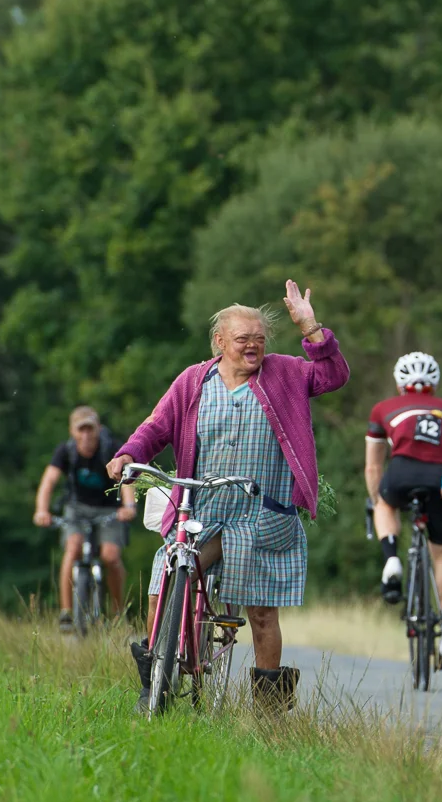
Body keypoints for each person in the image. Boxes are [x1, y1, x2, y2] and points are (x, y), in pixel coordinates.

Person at [108, 282, 349, 710]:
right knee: (165, 574)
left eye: (259, 338)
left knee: (261, 613)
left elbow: (333, 376)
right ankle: (157, 670)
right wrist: (129, 453)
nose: (253, 346)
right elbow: (157, 426)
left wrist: (309, 326)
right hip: (202, 508)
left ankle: (269, 708)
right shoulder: (193, 381)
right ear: (220, 342)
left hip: (261, 514)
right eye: (243, 339)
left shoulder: (286, 373)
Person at [366, 352, 442, 669]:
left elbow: (372, 466)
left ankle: (392, 557)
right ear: (434, 383)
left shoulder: (384, 409)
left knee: (384, 502)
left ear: (399, 383)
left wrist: (376, 498)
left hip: (402, 473)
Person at [33, 406, 137, 629]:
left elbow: (127, 480)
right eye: (81, 430)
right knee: (73, 548)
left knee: (111, 556)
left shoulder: (111, 448)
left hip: (109, 510)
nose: (86, 435)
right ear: (73, 432)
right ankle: (67, 612)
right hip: (76, 509)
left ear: (99, 429)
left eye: (90, 429)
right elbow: (49, 481)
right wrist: (41, 510)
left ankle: (119, 614)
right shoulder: (66, 451)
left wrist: (129, 506)